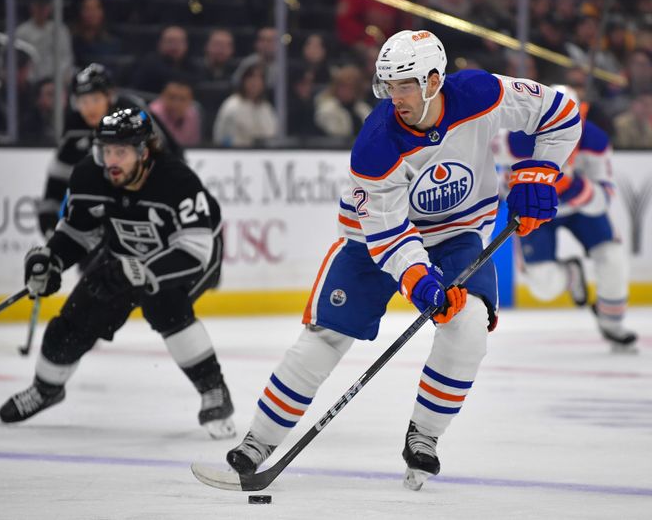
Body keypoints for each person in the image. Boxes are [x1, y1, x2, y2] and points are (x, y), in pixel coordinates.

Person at [223, 30, 581, 491]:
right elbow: (388, 232)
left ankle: (425, 437)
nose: (397, 97)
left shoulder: (480, 93)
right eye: (389, 85)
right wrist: (417, 279)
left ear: (434, 80)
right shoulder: (377, 144)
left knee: (468, 324)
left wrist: (540, 172)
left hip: (455, 233)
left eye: (406, 84)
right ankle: (259, 441)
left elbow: (560, 114)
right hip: (371, 240)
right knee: (326, 335)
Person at [0, 107, 236, 440]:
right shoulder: (88, 175)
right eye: (106, 150)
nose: (111, 160)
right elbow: (80, 232)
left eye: (121, 152)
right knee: (74, 319)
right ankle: (46, 388)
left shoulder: (176, 181)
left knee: (163, 303)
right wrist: (51, 260)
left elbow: (196, 251)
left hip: (190, 256)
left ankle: (214, 391)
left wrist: (144, 270)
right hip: (123, 256)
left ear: (144, 151)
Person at [492, 87, 637, 352]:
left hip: (579, 208)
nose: (563, 125)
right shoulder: (515, 139)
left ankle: (612, 323)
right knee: (544, 286)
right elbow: (480, 156)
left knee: (612, 256)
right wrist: (506, 188)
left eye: (571, 116)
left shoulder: (595, 140)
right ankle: (571, 274)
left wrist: (575, 187)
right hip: (535, 210)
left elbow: (603, 198)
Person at [37, 63, 183, 240]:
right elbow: (58, 177)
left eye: (95, 100)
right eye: (83, 101)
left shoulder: (132, 114)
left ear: (110, 96)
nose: (89, 108)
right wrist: (49, 216)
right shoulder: (74, 127)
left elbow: (167, 159)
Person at [213, 63, 278, 147]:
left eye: (259, 78)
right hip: (236, 154)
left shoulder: (266, 107)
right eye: (251, 77)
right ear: (243, 80)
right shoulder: (232, 105)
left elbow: (272, 134)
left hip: (263, 154)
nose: (255, 82)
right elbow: (223, 138)